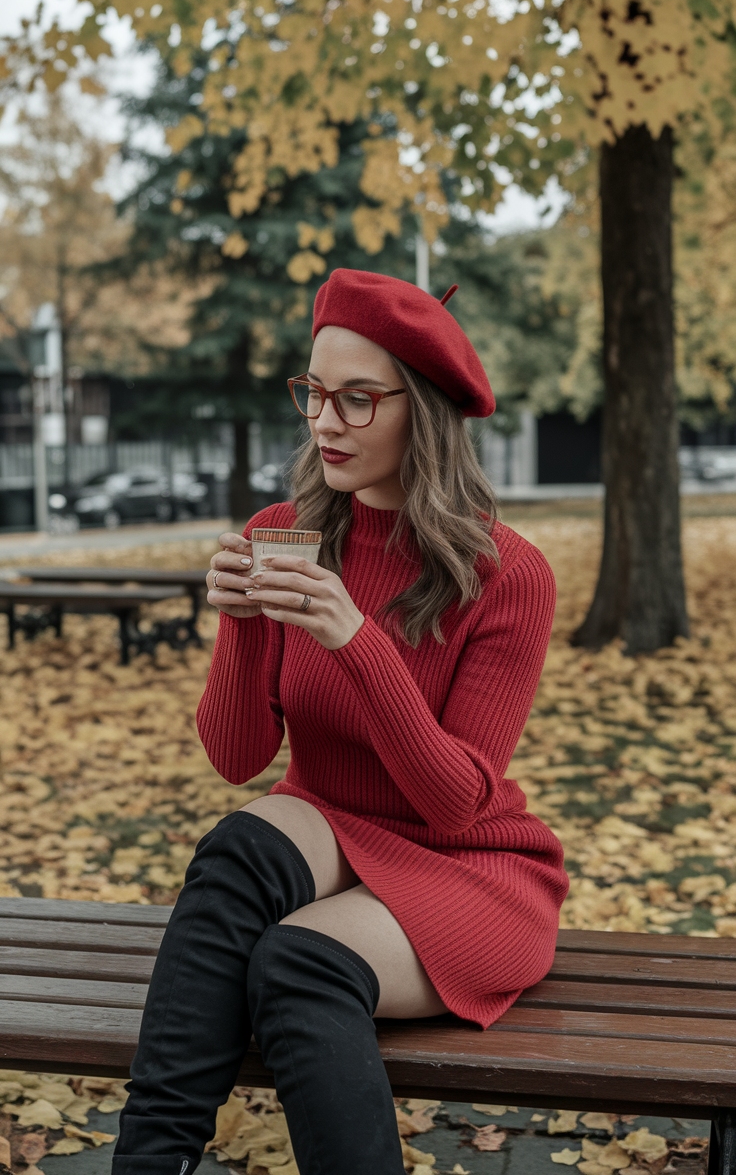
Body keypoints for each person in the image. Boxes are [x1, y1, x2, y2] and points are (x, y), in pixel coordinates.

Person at [113, 268, 568, 1175]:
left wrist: (357, 640)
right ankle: (149, 1165)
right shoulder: (286, 530)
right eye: (315, 393)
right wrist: (241, 626)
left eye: (358, 400)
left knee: (296, 964)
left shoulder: (508, 574)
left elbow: (451, 805)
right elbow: (239, 757)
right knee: (236, 847)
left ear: (423, 411)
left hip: (471, 865)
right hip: (331, 828)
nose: (325, 423)